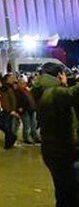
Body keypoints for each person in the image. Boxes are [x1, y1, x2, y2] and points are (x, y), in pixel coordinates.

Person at [33, 62, 79, 207]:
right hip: (63, 153)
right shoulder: (55, 93)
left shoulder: (43, 90)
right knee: (70, 195)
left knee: (63, 192)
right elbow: (74, 93)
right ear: (59, 75)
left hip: (52, 151)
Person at [0, 75, 20, 149]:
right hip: (1, 110)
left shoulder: (7, 88)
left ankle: (8, 143)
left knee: (7, 126)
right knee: (1, 125)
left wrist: (13, 110)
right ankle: (12, 138)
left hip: (7, 110)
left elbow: (13, 99)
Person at [16, 77, 41, 145]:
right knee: (27, 125)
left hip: (31, 109)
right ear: (19, 84)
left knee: (33, 124)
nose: (24, 84)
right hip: (25, 110)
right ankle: (26, 138)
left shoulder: (27, 90)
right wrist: (20, 108)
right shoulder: (18, 91)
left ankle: (35, 137)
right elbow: (18, 101)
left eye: (24, 83)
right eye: (22, 83)